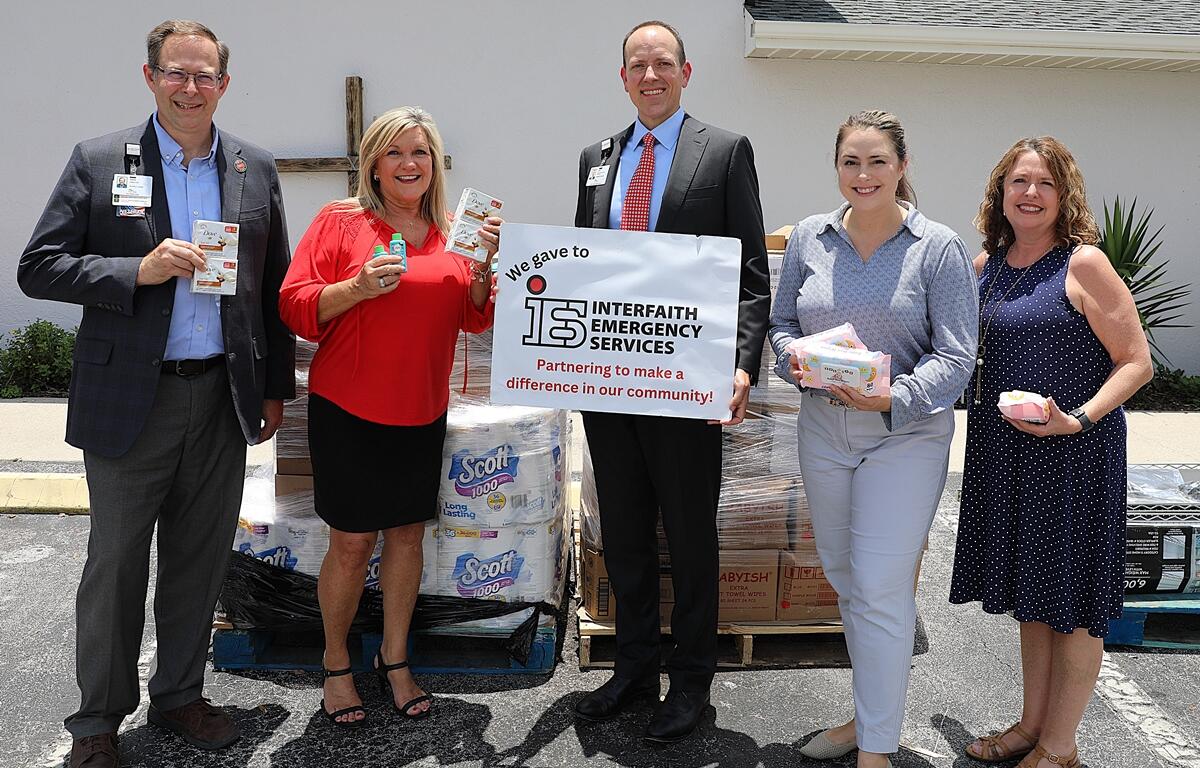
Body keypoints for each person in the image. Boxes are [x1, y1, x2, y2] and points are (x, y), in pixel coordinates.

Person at [17, 19, 294, 767]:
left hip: (220, 396)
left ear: (224, 85)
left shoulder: (253, 169)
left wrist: (273, 389)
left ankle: (180, 696)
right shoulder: (102, 160)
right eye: (177, 73)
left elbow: (271, 290)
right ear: (150, 77)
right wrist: (129, 272)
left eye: (205, 76)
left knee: (199, 561)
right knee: (115, 567)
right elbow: (38, 266)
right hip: (129, 401)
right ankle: (97, 724)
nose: (191, 87)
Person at [572, 19, 771, 743]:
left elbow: (752, 271)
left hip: (687, 382)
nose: (649, 75)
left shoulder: (723, 152)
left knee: (688, 537)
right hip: (610, 380)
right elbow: (582, 265)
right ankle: (632, 671)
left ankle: (691, 685)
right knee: (623, 532)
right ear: (621, 78)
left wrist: (743, 362)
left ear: (686, 72)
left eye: (662, 63)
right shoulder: (597, 157)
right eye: (636, 65)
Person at [277, 106, 499, 727]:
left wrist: (484, 272)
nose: (409, 164)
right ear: (374, 163)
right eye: (396, 153)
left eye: (421, 153)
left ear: (435, 166)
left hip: (421, 409)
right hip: (349, 409)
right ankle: (337, 662)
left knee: (407, 536)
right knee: (351, 544)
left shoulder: (455, 230)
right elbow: (295, 307)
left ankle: (395, 660)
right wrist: (355, 289)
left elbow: (472, 316)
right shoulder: (341, 222)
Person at [768, 111, 978, 768]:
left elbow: (957, 357)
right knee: (847, 579)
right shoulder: (810, 236)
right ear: (838, 167)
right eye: (851, 162)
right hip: (824, 427)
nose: (864, 175)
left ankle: (877, 752)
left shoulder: (936, 248)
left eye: (877, 162)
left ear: (902, 167)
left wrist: (894, 397)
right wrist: (795, 362)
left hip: (905, 435)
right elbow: (779, 326)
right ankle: (868, 718)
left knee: (882, 583)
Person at [949, 137, 1152, 768]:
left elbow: (1137, 363)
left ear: (1064, 196)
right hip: (1006, 454)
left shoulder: (1083, 263)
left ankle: (1061, 745)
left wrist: (1080, 420)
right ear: (1000, 193)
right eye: (1018, 182)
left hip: (1075, 456)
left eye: (1044, 183)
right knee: (1033, 598)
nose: (1030, 193)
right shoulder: (987, 267)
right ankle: (1031, 726)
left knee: (1076, 601)